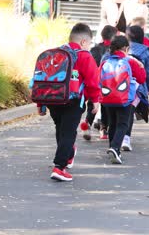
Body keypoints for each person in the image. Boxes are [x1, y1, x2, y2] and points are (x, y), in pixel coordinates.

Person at [39, 23, 100, 181]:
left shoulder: (55, 54)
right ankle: (59, 167)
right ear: (84, 42)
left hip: (53, 99)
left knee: (61, 130)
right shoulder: (85, 56)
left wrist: (41, 103)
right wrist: (95, 100)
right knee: (68, 133)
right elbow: (93, 81)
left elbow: (43, 78)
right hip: (73, 101)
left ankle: (67, 156)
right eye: (89, 44)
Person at [99, 36, 146, 164]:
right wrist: (140, 66)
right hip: (125, 99)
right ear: (126, 48)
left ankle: (113, 149)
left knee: (112, 122)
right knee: (123, 124)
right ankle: (115, 148)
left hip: (108, 98)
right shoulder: (129, 61)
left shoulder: (105, 62)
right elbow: (141, 79)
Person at [80, 25, 118, 141]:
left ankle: (87, 125)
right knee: (106, 107)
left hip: (94, 81)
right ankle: (104, 129)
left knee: (92, 105)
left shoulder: (94, 49)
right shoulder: (113, 50)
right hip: (108, 82)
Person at [122, 25, 149, 151]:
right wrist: (148, 87)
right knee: (129, 111)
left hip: (118, 84)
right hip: (136, 87)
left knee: (118, 111)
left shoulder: (122, 49)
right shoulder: (145, 51)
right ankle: (126, 138)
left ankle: (113, 136)